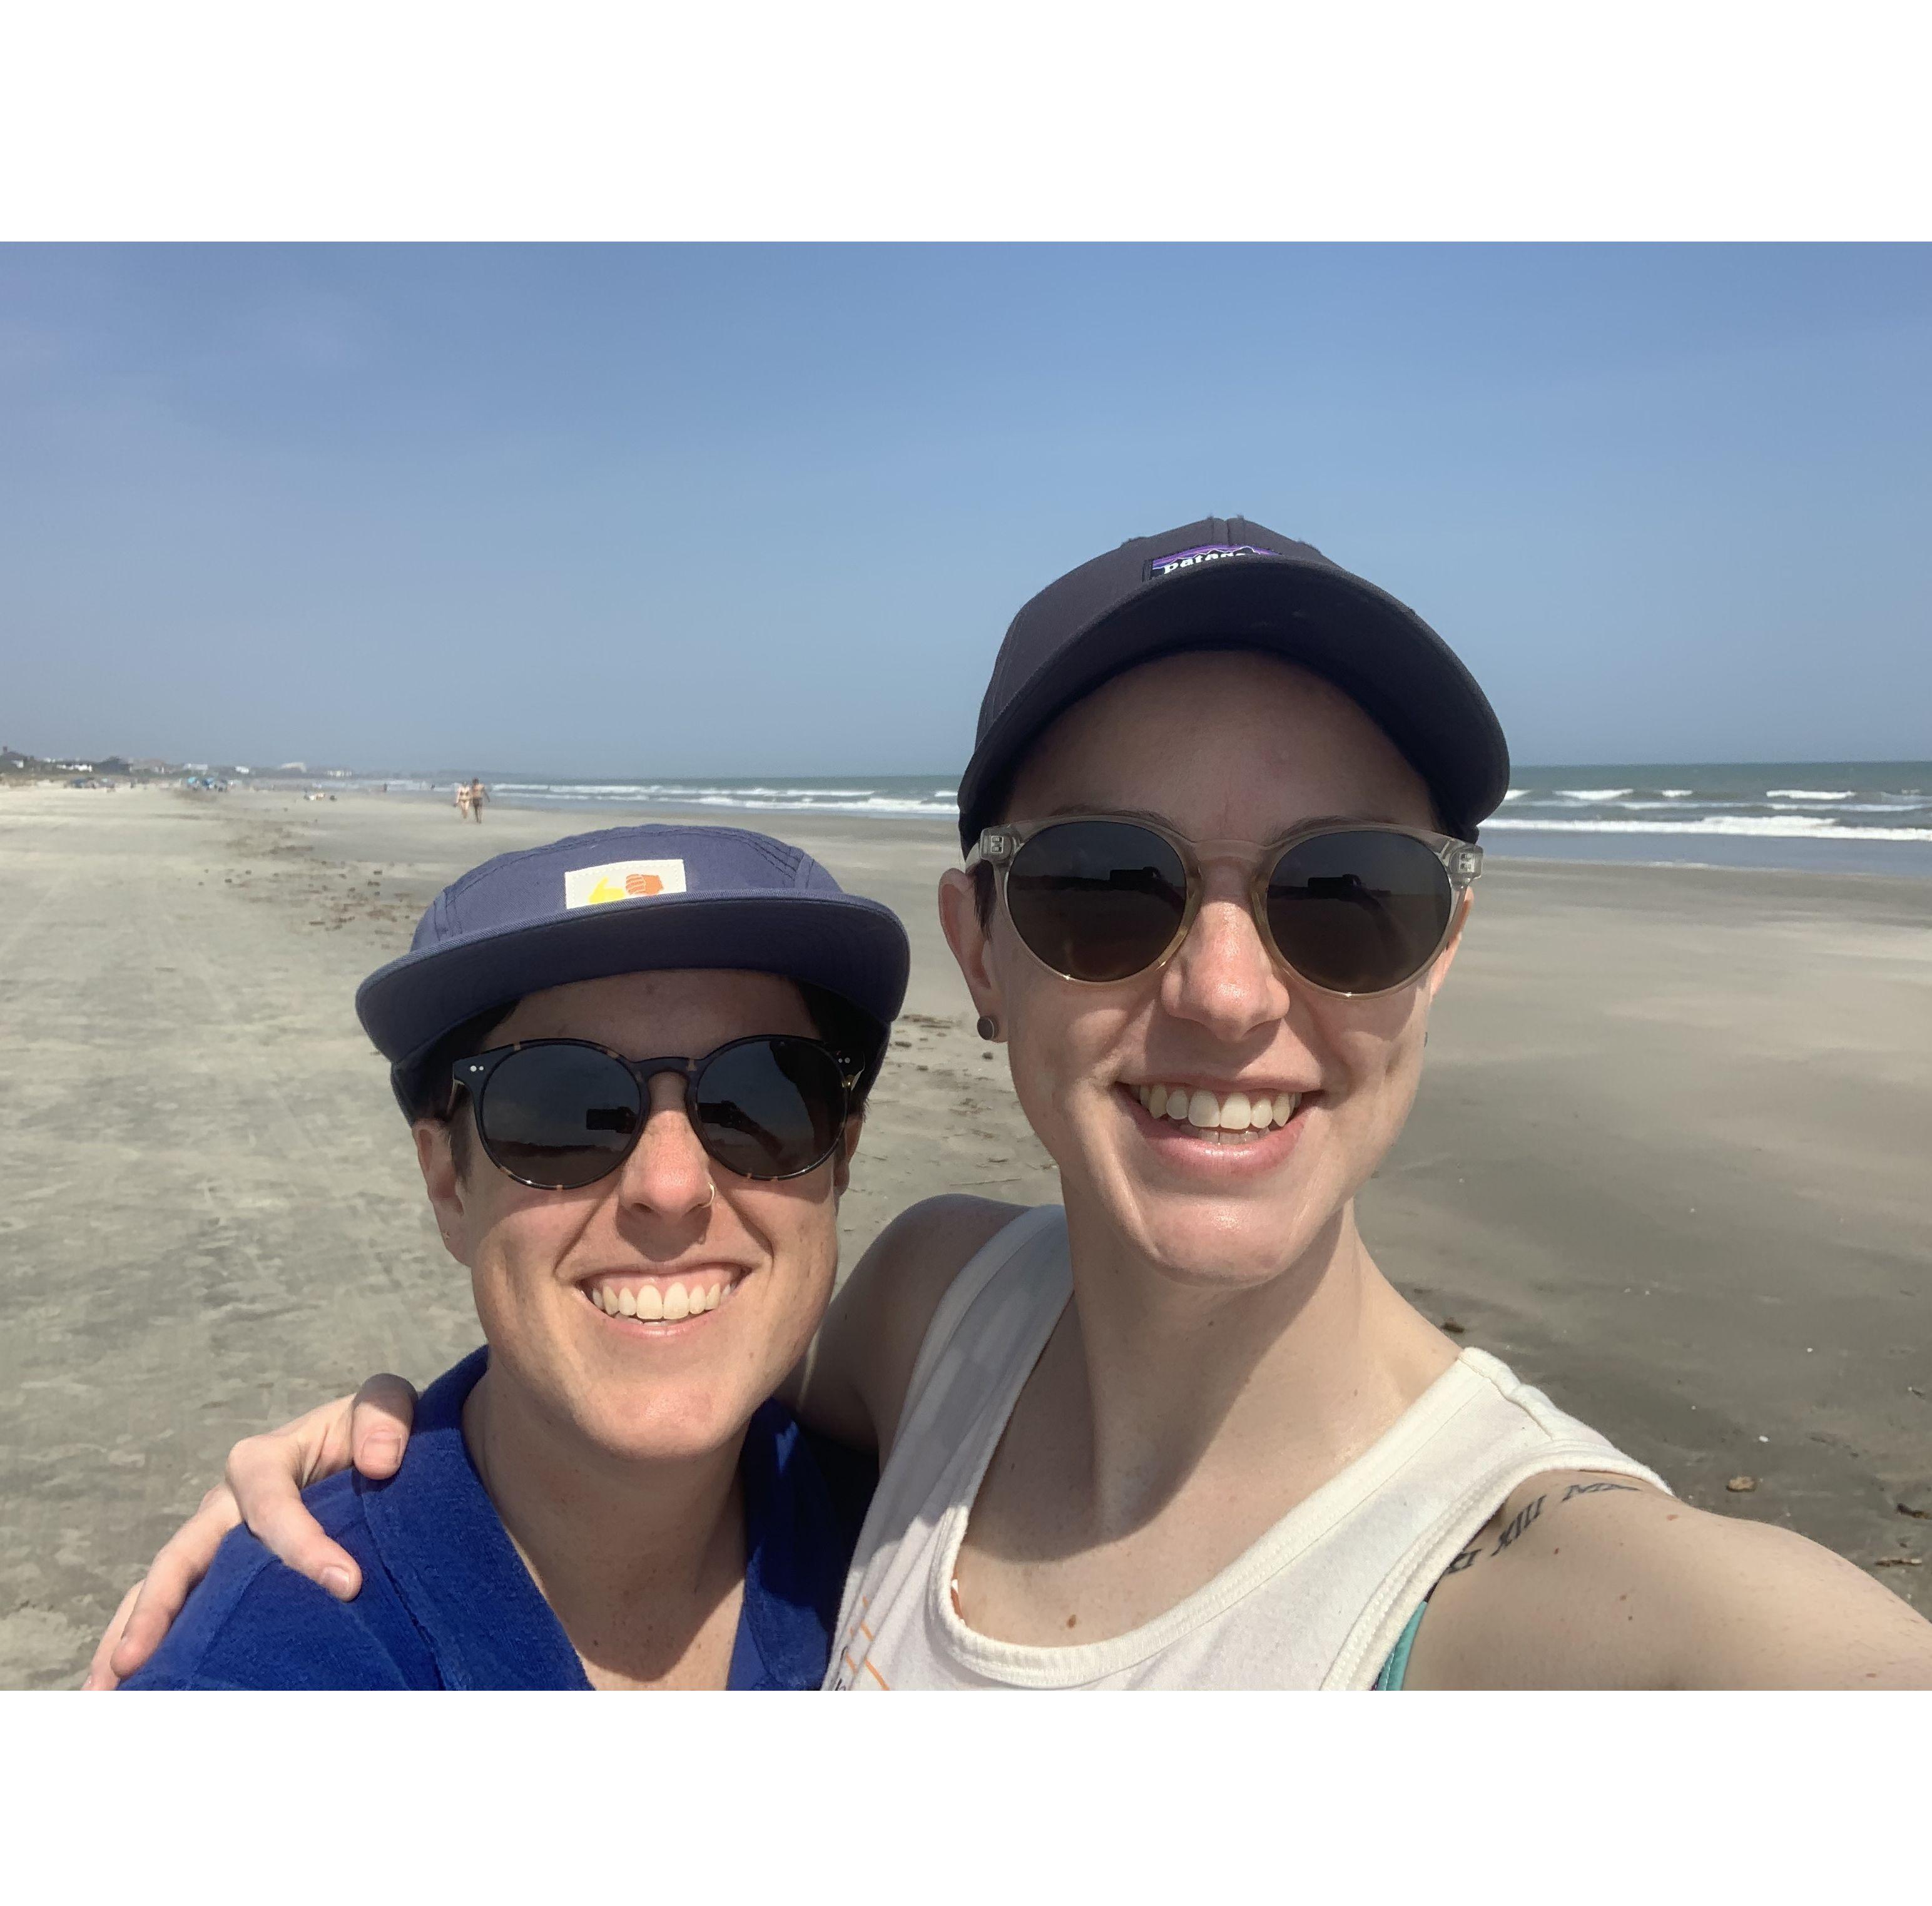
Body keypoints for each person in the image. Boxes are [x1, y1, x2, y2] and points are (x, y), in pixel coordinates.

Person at [94, 517, 1932, 1690]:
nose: (1225, 990)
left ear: (1441, 949)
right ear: (982, 950)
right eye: (1110, 889)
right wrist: (383, 1444)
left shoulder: (1599, 1622)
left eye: (1343, 893)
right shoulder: (930, 1316)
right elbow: (644, 1346)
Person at [116, 821, 905, 1689]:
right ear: (450, 1185)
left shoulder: (919, 1535)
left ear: (842, 1158)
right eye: (562, 1109)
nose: (672, 1185)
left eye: (760, 1097)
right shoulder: (269, 1663)